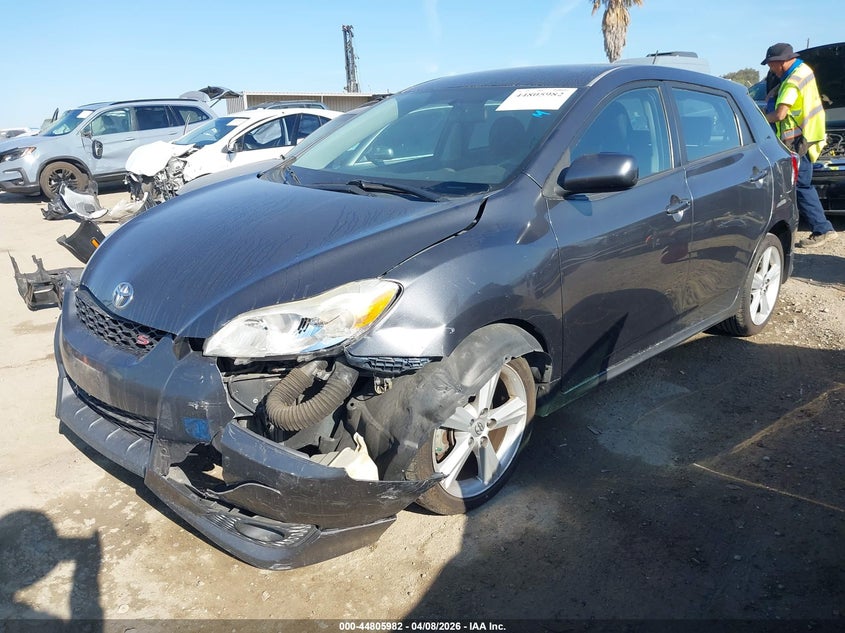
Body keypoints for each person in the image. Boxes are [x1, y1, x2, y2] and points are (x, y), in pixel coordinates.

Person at [762, 42, 837, 248]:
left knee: (801, 184)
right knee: (800, 182)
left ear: (781, 62)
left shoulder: (792, 82)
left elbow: (780, 115)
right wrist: (775, 89)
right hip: (810, 132)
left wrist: (759, 117)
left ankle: (822, 228)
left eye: (771, 64)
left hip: (798, 138)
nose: (770, 69)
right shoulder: (803, 70)